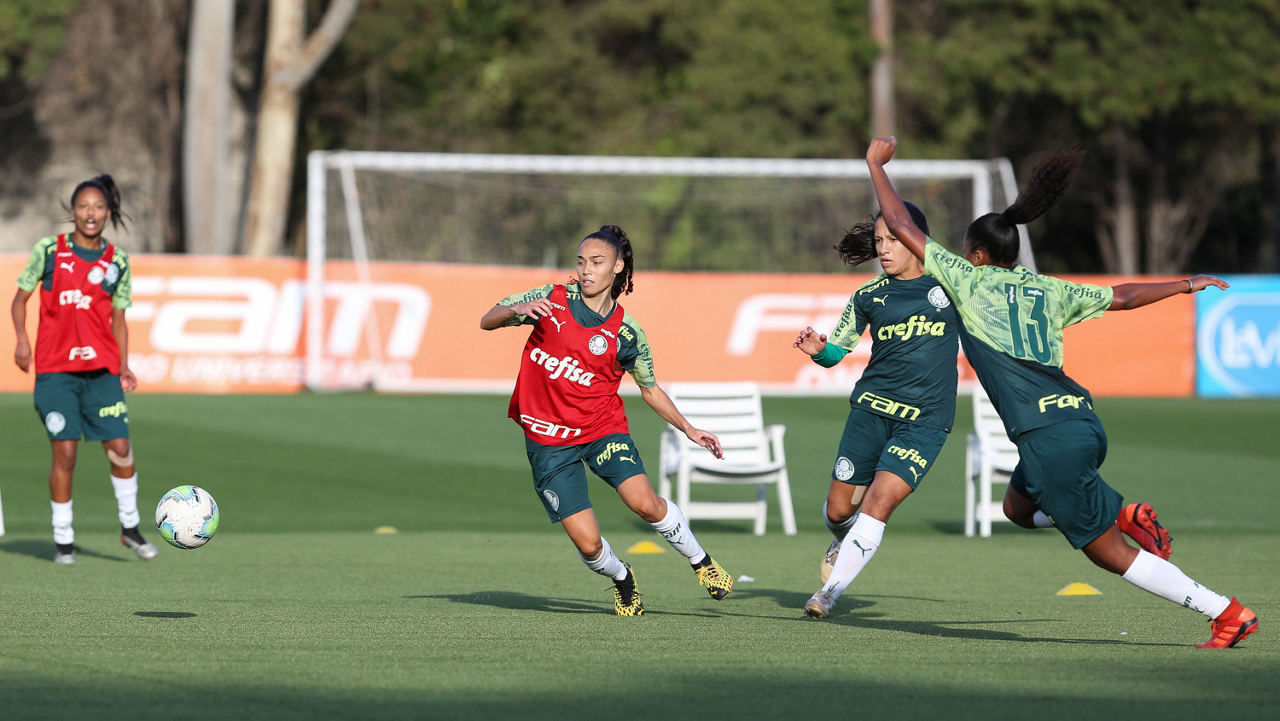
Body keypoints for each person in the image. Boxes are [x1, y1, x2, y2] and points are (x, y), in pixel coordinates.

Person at [865, 136, 1256, 649]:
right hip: (1081, 423)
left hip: (1047, 438)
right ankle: (1121, 513)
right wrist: (1185, 284)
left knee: (1111, 555)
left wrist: (875, 165)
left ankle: (1225, 612)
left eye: (964, 251)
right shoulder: (1049, 289)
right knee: (1016, 509)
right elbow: (1123, 296)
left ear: (976, 255)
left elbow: (900, 224)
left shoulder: (966, 280)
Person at [481, 224, 734, 616]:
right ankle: (622, 577)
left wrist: (690, 429)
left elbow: (650, 389)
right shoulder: (550, 299)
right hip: (549, 441)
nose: (586, 270)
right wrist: (516, 310)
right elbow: (487, 319)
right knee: (588, 545)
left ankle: (701, 561)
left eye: (596, 262)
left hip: (601, 429)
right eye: (581, 261)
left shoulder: (627, 332)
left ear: (617, 267)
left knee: (644, 503)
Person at [793, 204, 960, 619]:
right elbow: (837, 351)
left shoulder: (953, 285)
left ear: (917, 240)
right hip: (870, 413)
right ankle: (843, 540)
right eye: (879, 241)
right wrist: (819, 351)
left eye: (893, 240)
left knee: (879, 502)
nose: (883, 249)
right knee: (839, 511)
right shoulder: (868, 295)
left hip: (925, 422)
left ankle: (827, 594)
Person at [11, 174, 157, 564]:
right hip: (56, 372)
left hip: (102, 371)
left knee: (121, 449)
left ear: (108, 212)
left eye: (98, 207)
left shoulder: (118, 261)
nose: (90, 213)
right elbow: (19, 301)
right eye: (83, 206)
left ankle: (130, 528)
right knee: (66, 454)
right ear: (72, 211)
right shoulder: (49, 251)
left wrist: (123, 365)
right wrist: (22, 340)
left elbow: (119, 320)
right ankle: (63, 540)